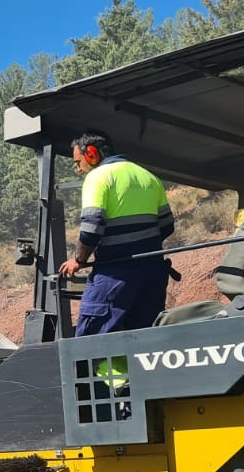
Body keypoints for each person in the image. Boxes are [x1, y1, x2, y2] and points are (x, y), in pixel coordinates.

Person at [56, 132, 174, 334]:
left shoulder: (98, 177)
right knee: (143, 335)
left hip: (115, 272)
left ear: (91, 154)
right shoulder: (148, 176)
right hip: (152, 271)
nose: (78, 169)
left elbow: (92, 227)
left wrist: (79, 260)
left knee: (91, 338)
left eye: (78, 162)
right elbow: (167, 226)